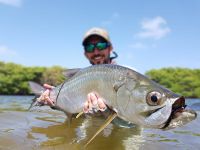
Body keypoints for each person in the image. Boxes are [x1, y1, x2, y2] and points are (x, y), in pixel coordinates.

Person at [39, 27, 133, 128]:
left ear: (110, 48)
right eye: (90, 48)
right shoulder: (79, 78)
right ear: (85, 54)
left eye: (101, 46)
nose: (96, 52)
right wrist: (54, 101)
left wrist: (110, 116)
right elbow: (73, 110)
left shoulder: (130, 75)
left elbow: (135, 122)